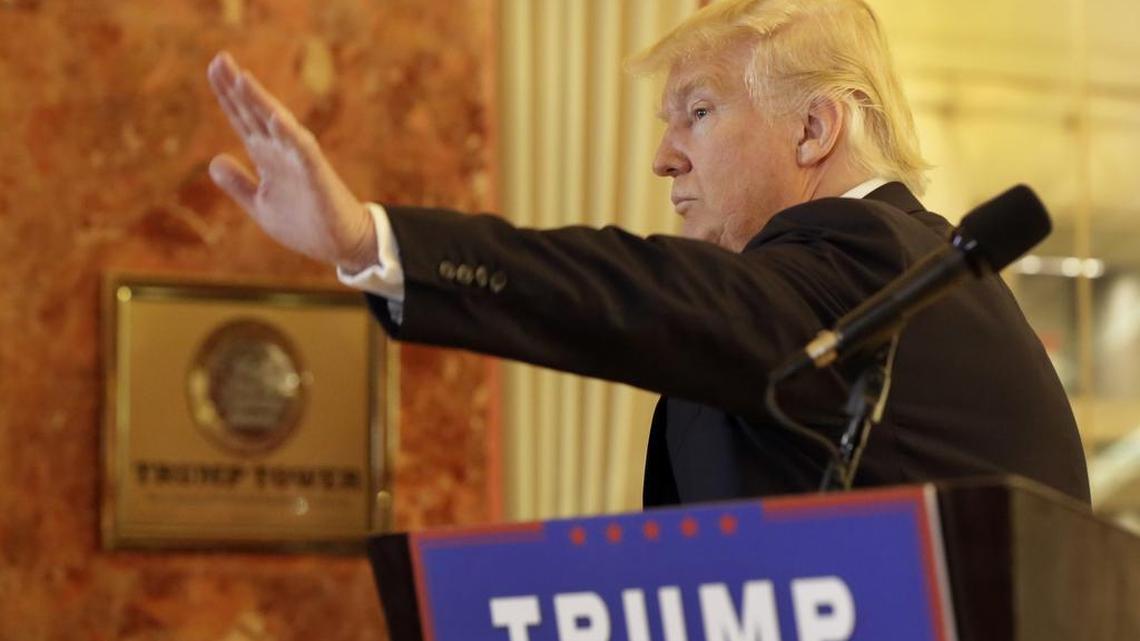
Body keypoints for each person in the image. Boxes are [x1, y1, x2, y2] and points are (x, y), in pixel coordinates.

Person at [205, 0, 1090, 505]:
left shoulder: (862, 260)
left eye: (697, 112)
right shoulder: (888, 278)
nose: (663, 156)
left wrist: (372, 240)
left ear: (816, 127)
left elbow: (636, 290)